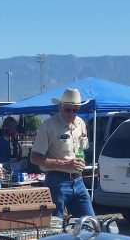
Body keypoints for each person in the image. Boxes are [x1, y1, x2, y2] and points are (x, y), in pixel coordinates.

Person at [30, 88, 94, 218]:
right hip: (56, 181)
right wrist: (65, 163)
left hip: (78, 180)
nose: (71, 113)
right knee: (56, 225)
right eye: (67, 109)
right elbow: (35, 158)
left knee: (90, 223)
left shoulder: (81, 123)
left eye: (75, 110)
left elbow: (82, 149)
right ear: (60, 107)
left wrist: (79, 166)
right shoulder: (48, 126)